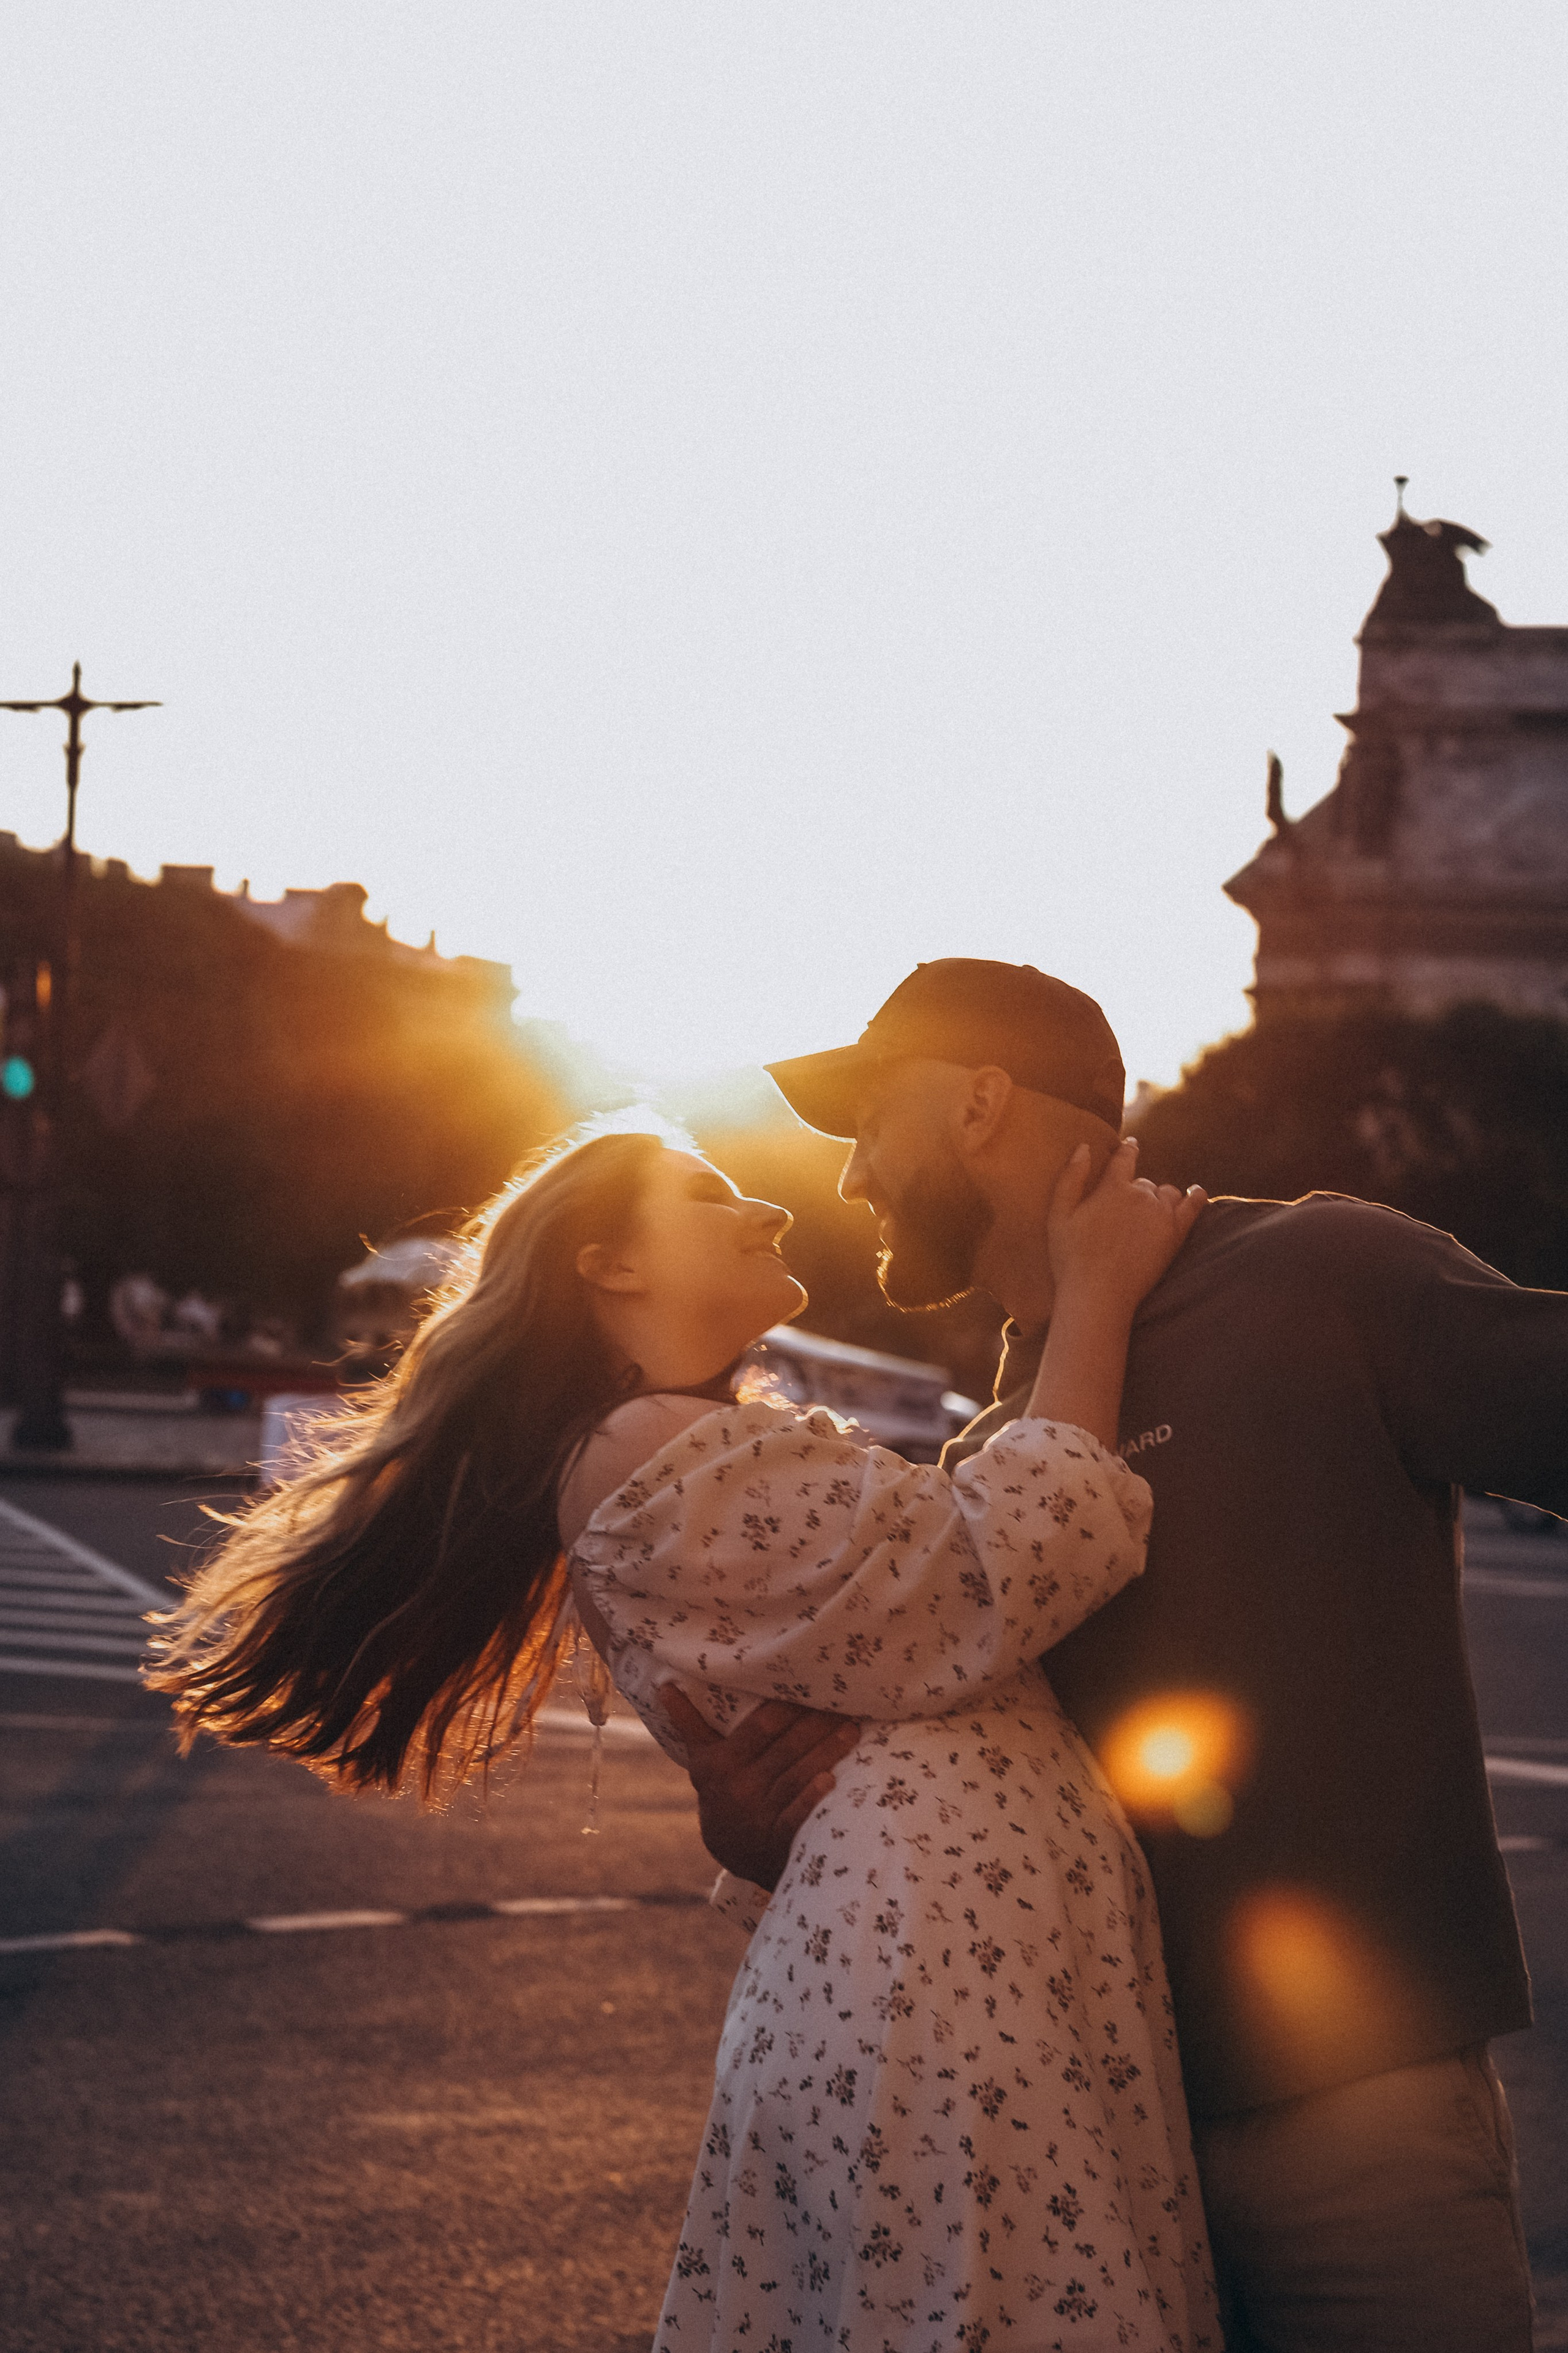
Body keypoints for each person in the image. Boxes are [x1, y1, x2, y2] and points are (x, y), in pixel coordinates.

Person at [149, 1121, 1217, 2352]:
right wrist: (1096, 1290)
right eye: (707, 1194)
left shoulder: (665, 1443)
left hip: (946, 1965)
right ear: (609, 1264)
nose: (764, 1207)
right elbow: (1004, 1565)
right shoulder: (639, 1444)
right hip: (933, 1980)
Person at [679, 956, 1551, 2353]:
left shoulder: (1316, 1274)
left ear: (976, 1104)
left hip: (1356, 2112)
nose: (850, 1180)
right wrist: (763, 1822)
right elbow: (937, 1796)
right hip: (1073, 2142)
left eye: (867, 1126)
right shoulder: (995, 1461)